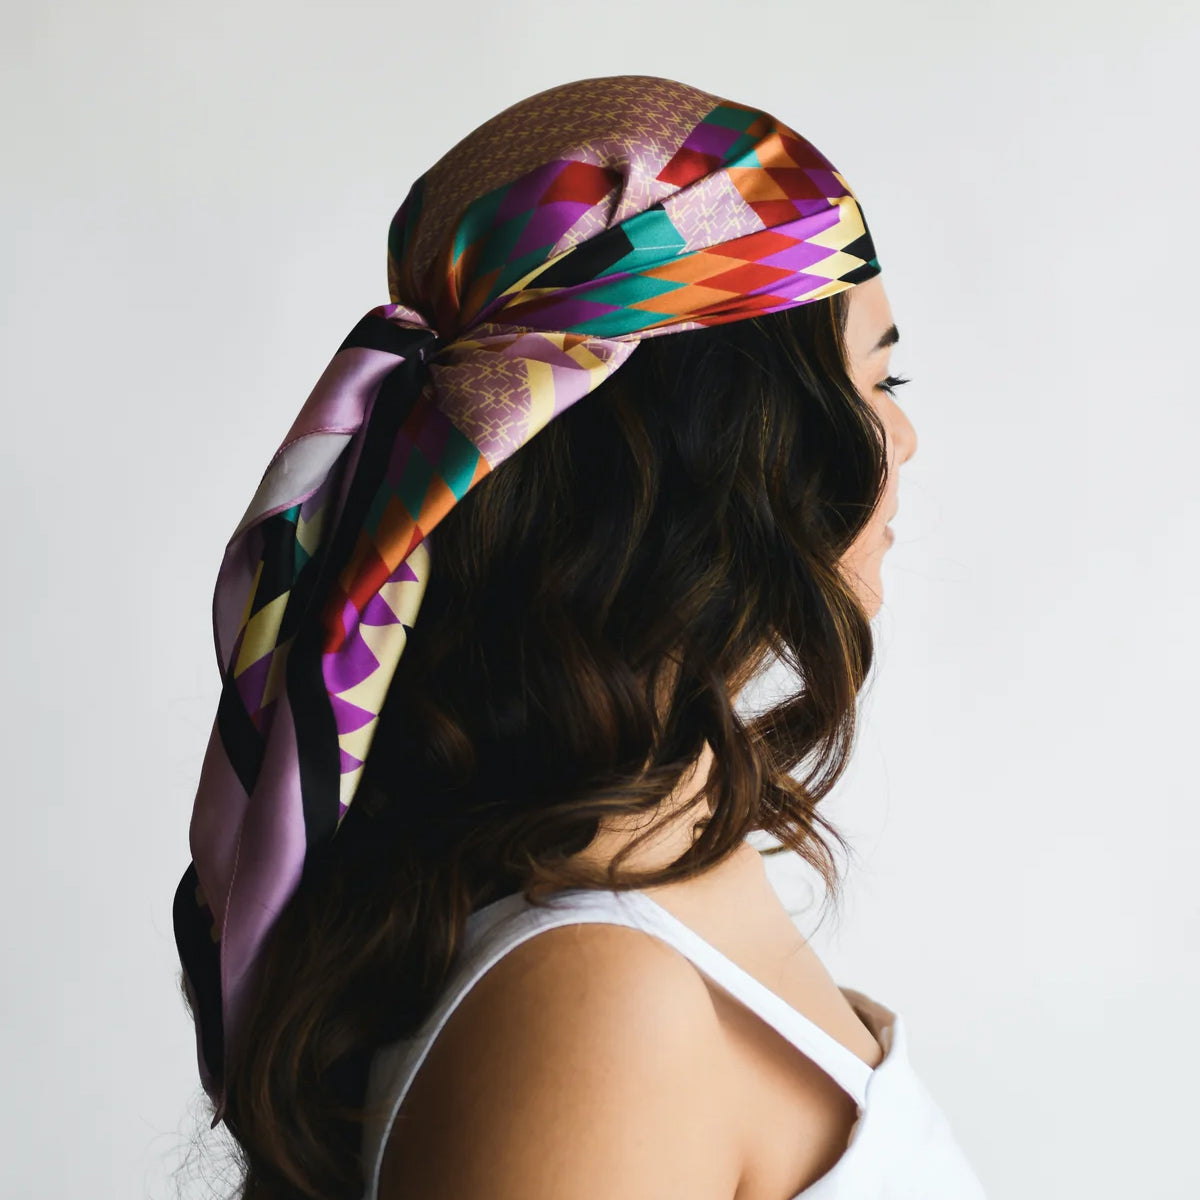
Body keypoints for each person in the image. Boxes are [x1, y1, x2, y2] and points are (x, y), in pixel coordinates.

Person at [172, 74, 987, 1200]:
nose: (903, 435)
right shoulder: (600, 1006)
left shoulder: (648, 879)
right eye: (873, 379)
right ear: (704, 439)